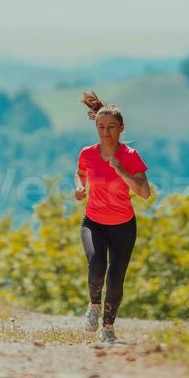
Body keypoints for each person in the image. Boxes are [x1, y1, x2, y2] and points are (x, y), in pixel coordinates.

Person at [74, 90, 150, 344]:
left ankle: (108, 327)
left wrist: (121, 171)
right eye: (101, 126)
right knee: (96, 266)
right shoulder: (87, 153)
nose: (105, 132)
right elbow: (80, 173)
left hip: (123, 226)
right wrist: (79, 187)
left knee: (116, 278)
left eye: (111, 127)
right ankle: (93, 307)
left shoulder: (130, 156)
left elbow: (144, 192)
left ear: (121, 128)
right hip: (93, 222)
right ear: (95, 126)